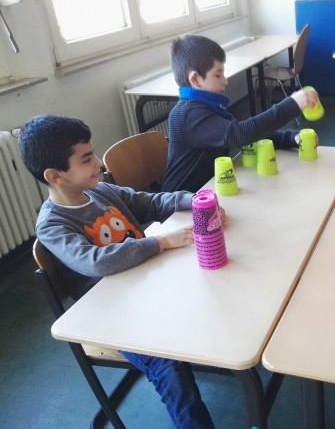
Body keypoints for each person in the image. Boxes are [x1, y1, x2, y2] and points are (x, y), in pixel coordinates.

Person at [19, 115, 215, 429]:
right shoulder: (53, 225)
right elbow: (95, 262)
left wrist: (194, 201)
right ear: (55, 176)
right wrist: (159, 242)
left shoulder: (100, 191)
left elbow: (149, 202)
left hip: (148, 286)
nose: (98, 163)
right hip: (115, 317)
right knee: (168, 364)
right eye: (86, 159)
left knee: (213, 280)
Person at [161, 34, 319, 193]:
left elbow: (251, 135)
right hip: (180, 203)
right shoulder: (187, 115)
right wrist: (292, 104)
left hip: (208, 192)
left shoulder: (208, 106)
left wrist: (291, 138)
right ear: (195, 79)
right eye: (218, 75)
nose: (225, 81)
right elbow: (241, 134)